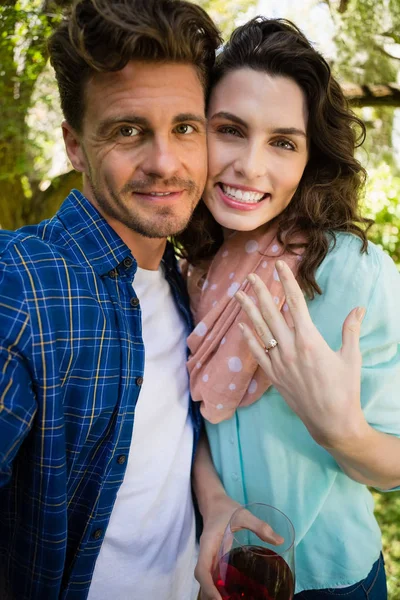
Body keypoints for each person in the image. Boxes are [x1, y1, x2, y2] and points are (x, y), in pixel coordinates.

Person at [0, 1, 223, 598]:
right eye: (128, 130)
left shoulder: (188, 284)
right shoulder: (21, 287)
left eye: (185, 127)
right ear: (75, 146)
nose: (164, 162)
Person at [180, 17, 400, 600]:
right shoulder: (194, 261)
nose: (251, 167)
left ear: (311, 158)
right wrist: (215, 499)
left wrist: (344, 432)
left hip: (330, 579)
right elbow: (190, 419)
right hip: (215, 565)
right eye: (229, 130)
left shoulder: (353, 272)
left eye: (282, 142)